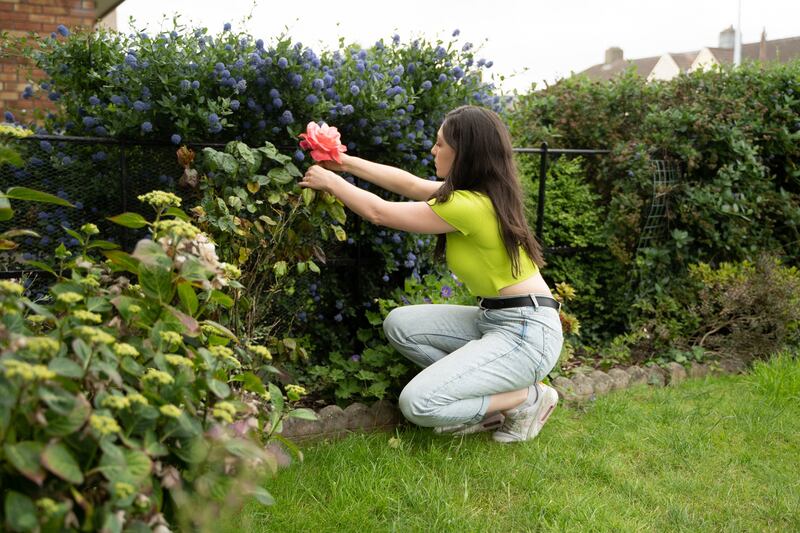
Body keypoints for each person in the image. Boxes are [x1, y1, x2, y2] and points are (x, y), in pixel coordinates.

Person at [299, 105, 563, 443]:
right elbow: (408, 183)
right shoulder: (476, 196)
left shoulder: (469, 206)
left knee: (418, 404)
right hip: (496, 320)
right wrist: (344, 162)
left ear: (463, 152)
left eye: (440, 144)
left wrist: (331, 181)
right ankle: (483, 395)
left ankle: (527, 398)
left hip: (527, 334)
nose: (433, 150)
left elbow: (379, 212)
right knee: (401, 325)